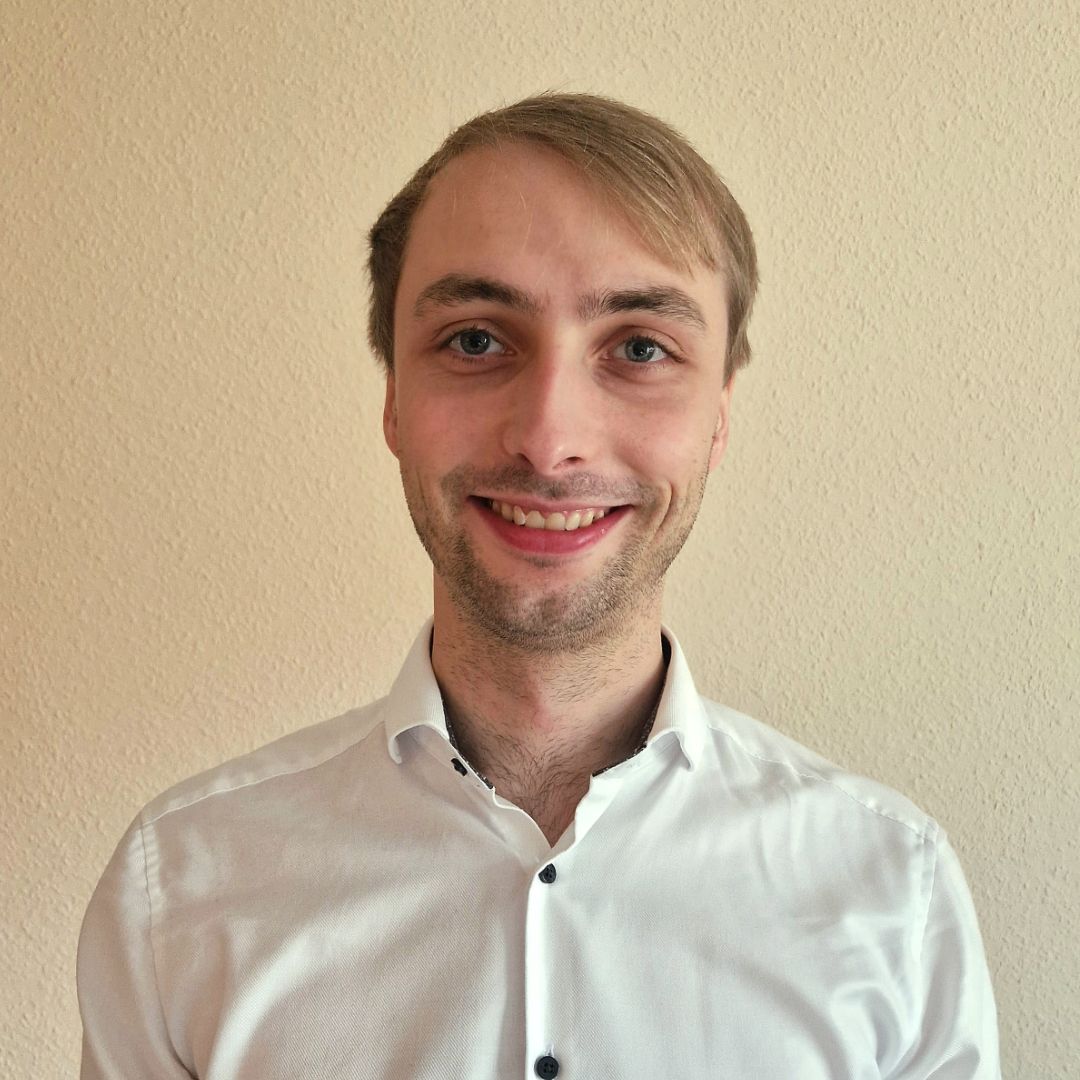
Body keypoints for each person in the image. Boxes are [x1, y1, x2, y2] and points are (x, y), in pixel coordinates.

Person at [77, 94, 1000, 1079]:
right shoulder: (183, 891)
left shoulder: (890, 893)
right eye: (476, 340)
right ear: (394, 399)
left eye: (639, 348)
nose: (549, 439)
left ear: (719, 417)